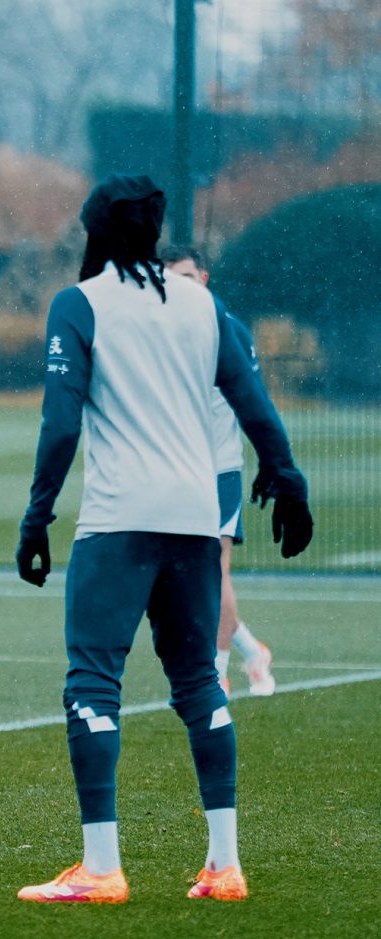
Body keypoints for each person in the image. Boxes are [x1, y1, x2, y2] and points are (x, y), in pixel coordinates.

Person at [15, 175, 313, 903]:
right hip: (192, 519)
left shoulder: (78, 303)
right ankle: (223, 866)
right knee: (197, 682)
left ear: (94, 229)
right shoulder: (202, 304)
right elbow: (253, 402)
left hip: (119, 520)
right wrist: (287, 478)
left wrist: (37, 514)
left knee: (92, 682)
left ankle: (101, 869)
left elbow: (59, 425)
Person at [160, 244, 275, 698]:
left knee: (213, 574)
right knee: (181, 580)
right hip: (171, 472)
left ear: (203, 280)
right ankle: (251, 649)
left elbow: (255, 403)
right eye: (169, 278)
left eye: (186, 277)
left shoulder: (228, 330)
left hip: (218, 472)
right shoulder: (156, 332)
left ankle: (217, 672)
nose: (177, 287)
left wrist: (273, 463)